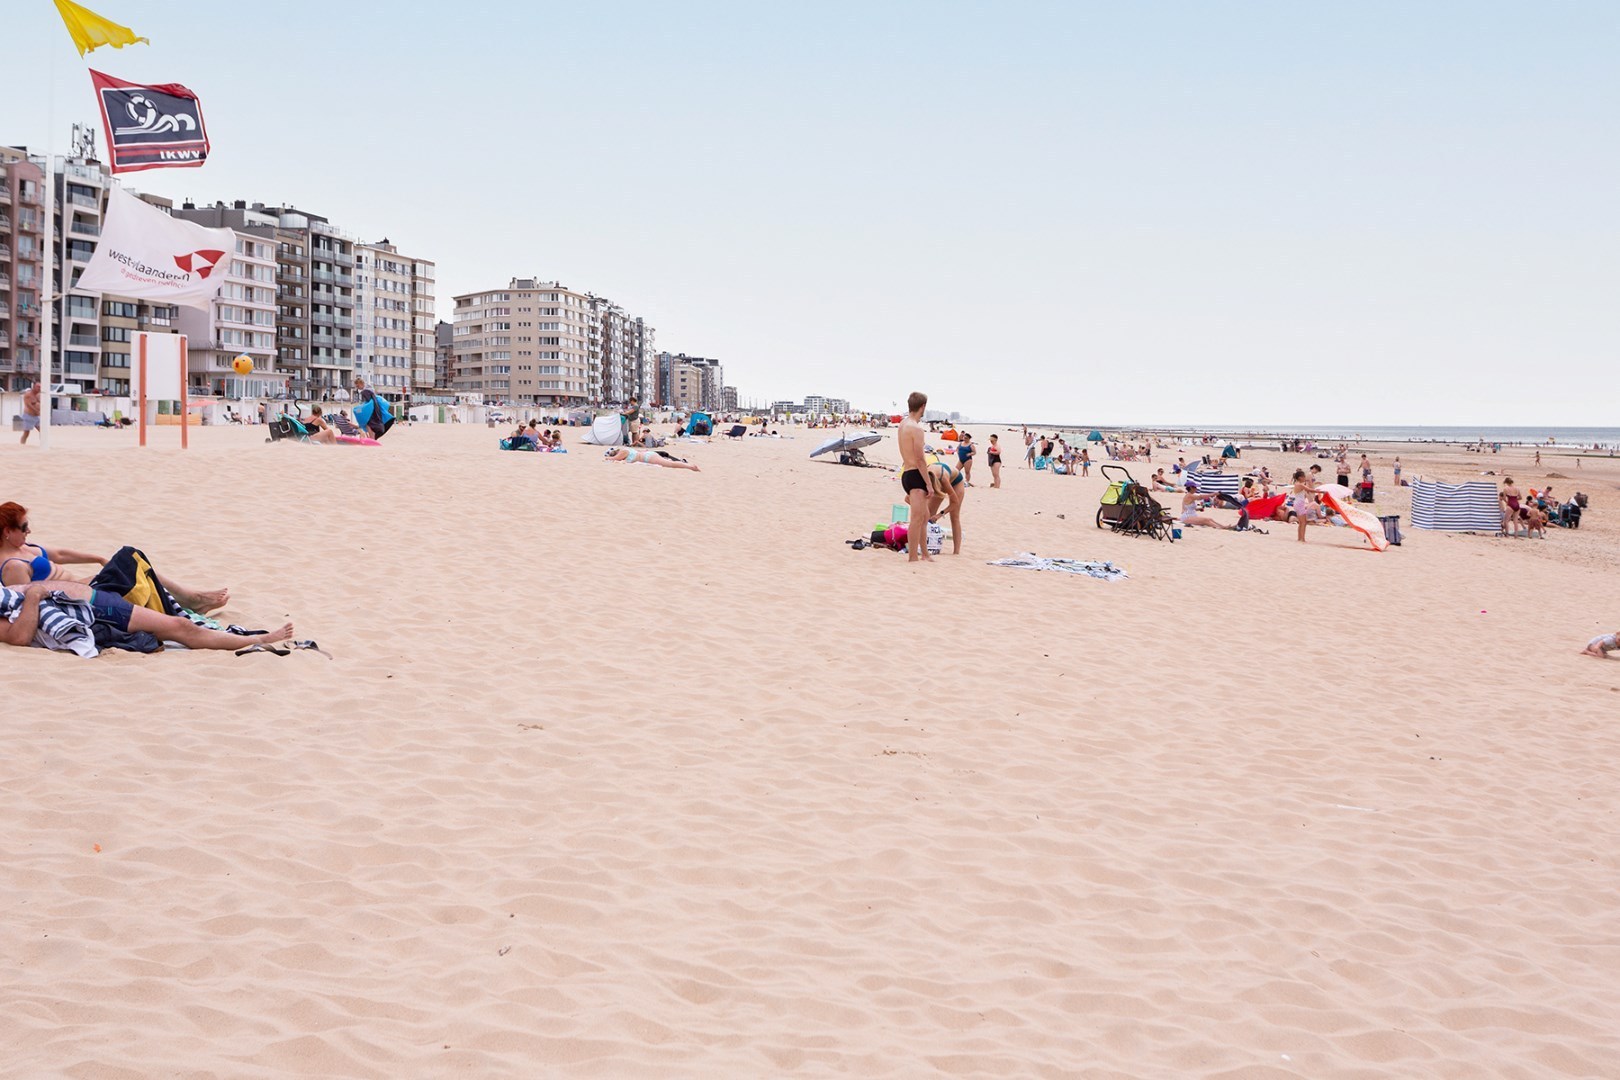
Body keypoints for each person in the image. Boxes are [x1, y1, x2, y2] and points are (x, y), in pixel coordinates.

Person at [0, 502, 230, 612]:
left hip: (88, 582)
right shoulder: (12, 566)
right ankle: (191, 599)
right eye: (24, 527)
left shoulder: (24, 547)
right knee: (130, 557)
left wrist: (99, 558)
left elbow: (60, 554)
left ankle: (188, 598)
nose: (29, 530)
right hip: (79, 594)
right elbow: (26, 600)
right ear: (7, 532)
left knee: (134, 559)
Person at [1, 578, 293, 654]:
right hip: (98, 610)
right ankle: (259, 639)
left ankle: (198, 604)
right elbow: (18, 636)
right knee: (180, 627)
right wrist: (35, 595)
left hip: (94, 598)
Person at [897, 392, 932, 563]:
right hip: (915, 474)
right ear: (923, 407)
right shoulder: (916, 429)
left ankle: (925, 554)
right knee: (917, 519)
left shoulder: (903, 424)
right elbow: (920, 459)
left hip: (906, 472)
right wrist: (929, 484)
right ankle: (913, 557)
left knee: (924, 516)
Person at [926, 452, 967, 555]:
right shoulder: (922, 478)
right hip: (935, 477)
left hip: (956, 480)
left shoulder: (943, 480)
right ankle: (929, 544)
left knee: (954, 517)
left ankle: (956, 552)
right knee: (929, 515)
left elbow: (955, 502)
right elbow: (908, 498)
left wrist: (940, 514)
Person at [602, 446, 700, 471]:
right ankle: (689, 466)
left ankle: (690, 467)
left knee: (670, 464)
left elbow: (614, 458)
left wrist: (607, 458)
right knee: (668, 462)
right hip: (647, 455)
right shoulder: (627, 450)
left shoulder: (623, 452)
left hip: (647, 457)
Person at [1290, 468, 1320, 543]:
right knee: (1303, 522)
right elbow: (1310, 490)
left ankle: (1300, 538)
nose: (1305, 478)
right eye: (1304, 477)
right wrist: (1322, 491)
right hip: (1300, 504)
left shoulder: (1297, 484)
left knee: (1301, 522)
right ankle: (1302, 538)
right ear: (1300, 477)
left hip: (1298, 503)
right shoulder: (1299, 485)